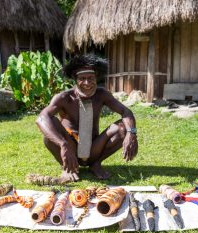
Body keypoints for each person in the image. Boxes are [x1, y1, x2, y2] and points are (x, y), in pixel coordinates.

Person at [36, 54, 138, 182]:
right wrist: (63, 144)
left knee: (123, 128)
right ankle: (67, 167)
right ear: (75, 79)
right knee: (50, 130)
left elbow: (125, 111)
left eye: (91, 78)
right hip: (70, 147)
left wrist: (131, 133)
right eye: (82, 78)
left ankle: (96, 164)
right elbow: (41, 118)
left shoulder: (102, 95)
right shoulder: (64, 98)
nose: (87, 83)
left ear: (96, 78)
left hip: (94, 148)